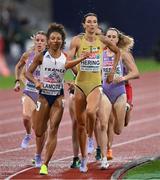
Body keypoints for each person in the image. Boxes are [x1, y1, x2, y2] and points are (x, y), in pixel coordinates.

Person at [26, 23, 90, 175]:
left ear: (62, 41)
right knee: (39, 131)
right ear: (48, 41)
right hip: (43, 97)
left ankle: (45, 164)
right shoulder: (41, 56)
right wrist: (36, 82)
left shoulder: (65, 57)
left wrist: (75, 83)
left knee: (54, 129)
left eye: (58, 38)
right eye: (53, 38)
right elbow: (28, 73)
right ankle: (41, 148)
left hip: (58, 98)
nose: (55, 41)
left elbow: (77, 73)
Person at [68, 13, 120, 172]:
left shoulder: (102, 40)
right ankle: (83, 158)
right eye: (89, 22)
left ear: (97, 25)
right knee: (79, 123)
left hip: (95, 84)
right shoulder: (77, 40)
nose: (92, 24)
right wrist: (78, 66)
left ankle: (91, 138)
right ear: (84, 25)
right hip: (80, 85)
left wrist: (111, 72)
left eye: (94, 22)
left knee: (91, 112)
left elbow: (117, 52)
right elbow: (68, 62)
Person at [99, 27, 139, 160]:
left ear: (117, 40)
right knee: (106, 122)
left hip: (120, 90)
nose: (110, 39)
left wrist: (122, 78)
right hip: (105, 91)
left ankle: (127, 109)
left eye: (113, 37)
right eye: (108, 37)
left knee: (118, 129)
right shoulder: (101, 53)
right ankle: (106, 152)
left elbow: (136, 73)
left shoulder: (123, 54)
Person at [14, 31, 47, 167]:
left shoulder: (50, 56)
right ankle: (28, 134)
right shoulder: (28, 55)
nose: (39, 43)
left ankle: (38, 155)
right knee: (26, 118)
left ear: (46, 43)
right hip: (30, 90)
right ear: (35, 42)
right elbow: (18, 66)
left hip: (44, 94)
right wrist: (17, 81)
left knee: (39, 128)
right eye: (37, 40)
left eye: (42, 41)